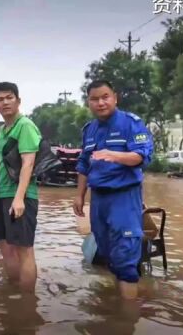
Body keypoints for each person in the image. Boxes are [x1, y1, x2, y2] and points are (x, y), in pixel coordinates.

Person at [73, 80, 154, 300]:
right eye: (95, 99)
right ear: (89, 102)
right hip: (98, 199)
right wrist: (79, 196)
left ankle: (127, 321)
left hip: (124, 197)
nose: (100, 102)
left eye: (105, 97)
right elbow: (83, 164)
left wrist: (114, 155)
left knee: (126, 258)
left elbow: (143, 156)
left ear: (115, 98)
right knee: (107, 253)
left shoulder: (131, 124)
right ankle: (115, 306)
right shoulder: (89, 130)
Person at [0, 82, 41, 293]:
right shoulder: (3, 130)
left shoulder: (24, 125)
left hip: (21, 195)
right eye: (0, 99)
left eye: (9, 97)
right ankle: (13, 291)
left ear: (18, 101)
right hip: (2, 193)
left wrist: (19, 198)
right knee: (4, 245)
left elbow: (28, 162)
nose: (5, 102)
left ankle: (27, 301)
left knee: (24, 249)